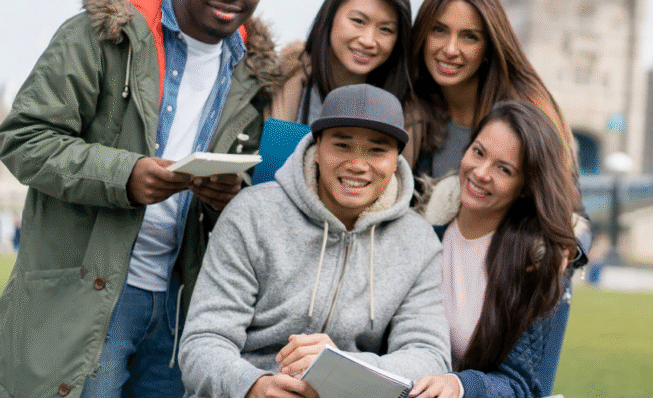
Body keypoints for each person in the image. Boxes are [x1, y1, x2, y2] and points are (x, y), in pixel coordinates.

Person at [0, 0, 278, 398]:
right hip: (91, 295)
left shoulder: (253, 77)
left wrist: (224, 197)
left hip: (180, 309)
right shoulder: (103, 35)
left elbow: (249, 195)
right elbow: (24, 137)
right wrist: (124, 175)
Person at [179, 84, 451, 398]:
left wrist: (343, 368)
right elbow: (203, 342)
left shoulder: (418, 241)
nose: (358, 165)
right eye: (342, 145)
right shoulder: (251, 213)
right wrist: (254, 386)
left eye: (377, 149)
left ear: (396, 160)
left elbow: (430, 355)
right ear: (317, 147)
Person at [413, 100, 580, 398]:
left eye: (504, 169)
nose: (480, 172)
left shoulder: (536, 261)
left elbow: (520, 384)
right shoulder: (422, 231)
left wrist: (460, 385)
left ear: (526, 186)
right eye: (478, 152)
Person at [404, 0, 573, 182]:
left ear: (488, 47)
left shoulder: (527, 114)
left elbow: (564, 204)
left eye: (469, 37)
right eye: (439, 30)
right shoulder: (411, 108)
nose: (450, 49)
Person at [268, 0, 413, 124]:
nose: (368, 41)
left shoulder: (405, 106)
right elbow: (274, 150)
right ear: (330, 15)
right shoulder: (284, 82)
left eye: (386, 29)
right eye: (358, 21)